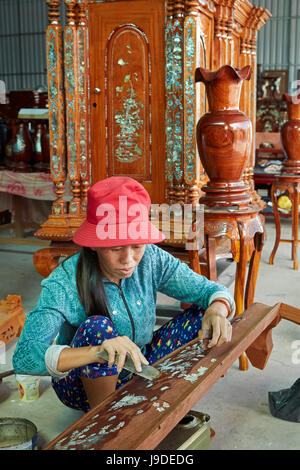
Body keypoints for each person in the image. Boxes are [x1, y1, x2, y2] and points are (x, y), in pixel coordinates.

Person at [13, 177, 235, 412]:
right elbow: (25, 357)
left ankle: (165, 404)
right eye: (116, 248)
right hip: (81, 382)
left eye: (137, 246)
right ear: (94, 244)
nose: (128, 260)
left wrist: (218, 310)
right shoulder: (64, 281)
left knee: (205, 314)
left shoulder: (151, 258)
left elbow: (209, 290)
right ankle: (106, 421)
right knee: (97, 328)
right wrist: (98, 351)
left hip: (139, 363)